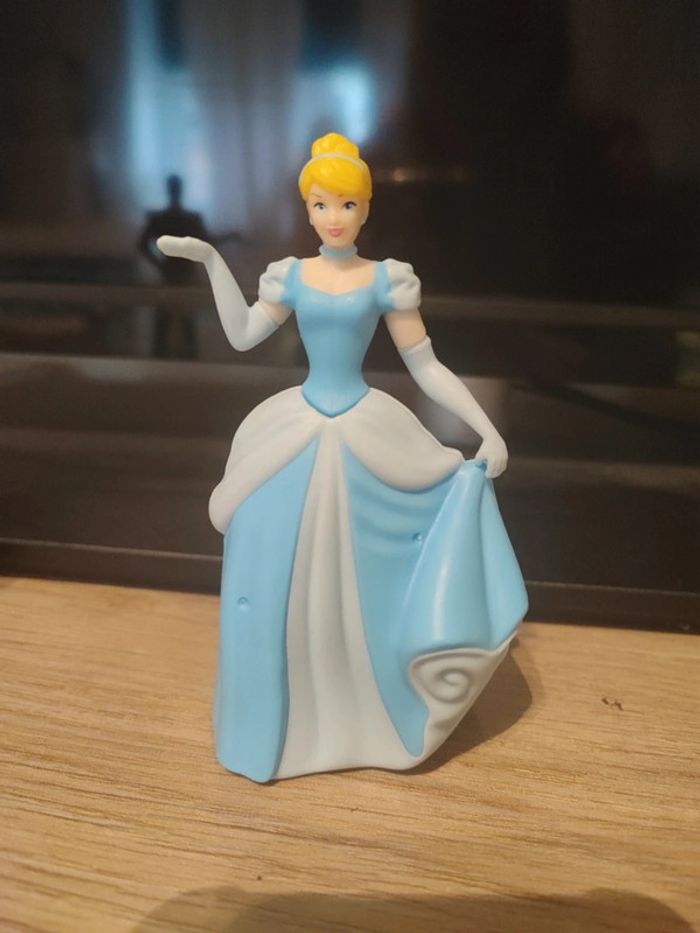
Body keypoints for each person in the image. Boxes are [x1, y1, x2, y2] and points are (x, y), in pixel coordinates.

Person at [158, 133, 527, 783]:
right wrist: (213, 260)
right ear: (307, 210)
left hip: (365, 429)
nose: (335, 217)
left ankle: (368, 716)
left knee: (370, 584)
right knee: (273, 570)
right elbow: (242, 335)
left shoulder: (385, 279)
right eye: (323, 204)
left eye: (348, 204)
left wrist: (484, 428)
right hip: (298, 427)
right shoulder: (292, 275)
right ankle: (280, 729)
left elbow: (426, 366)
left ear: (366, 209)